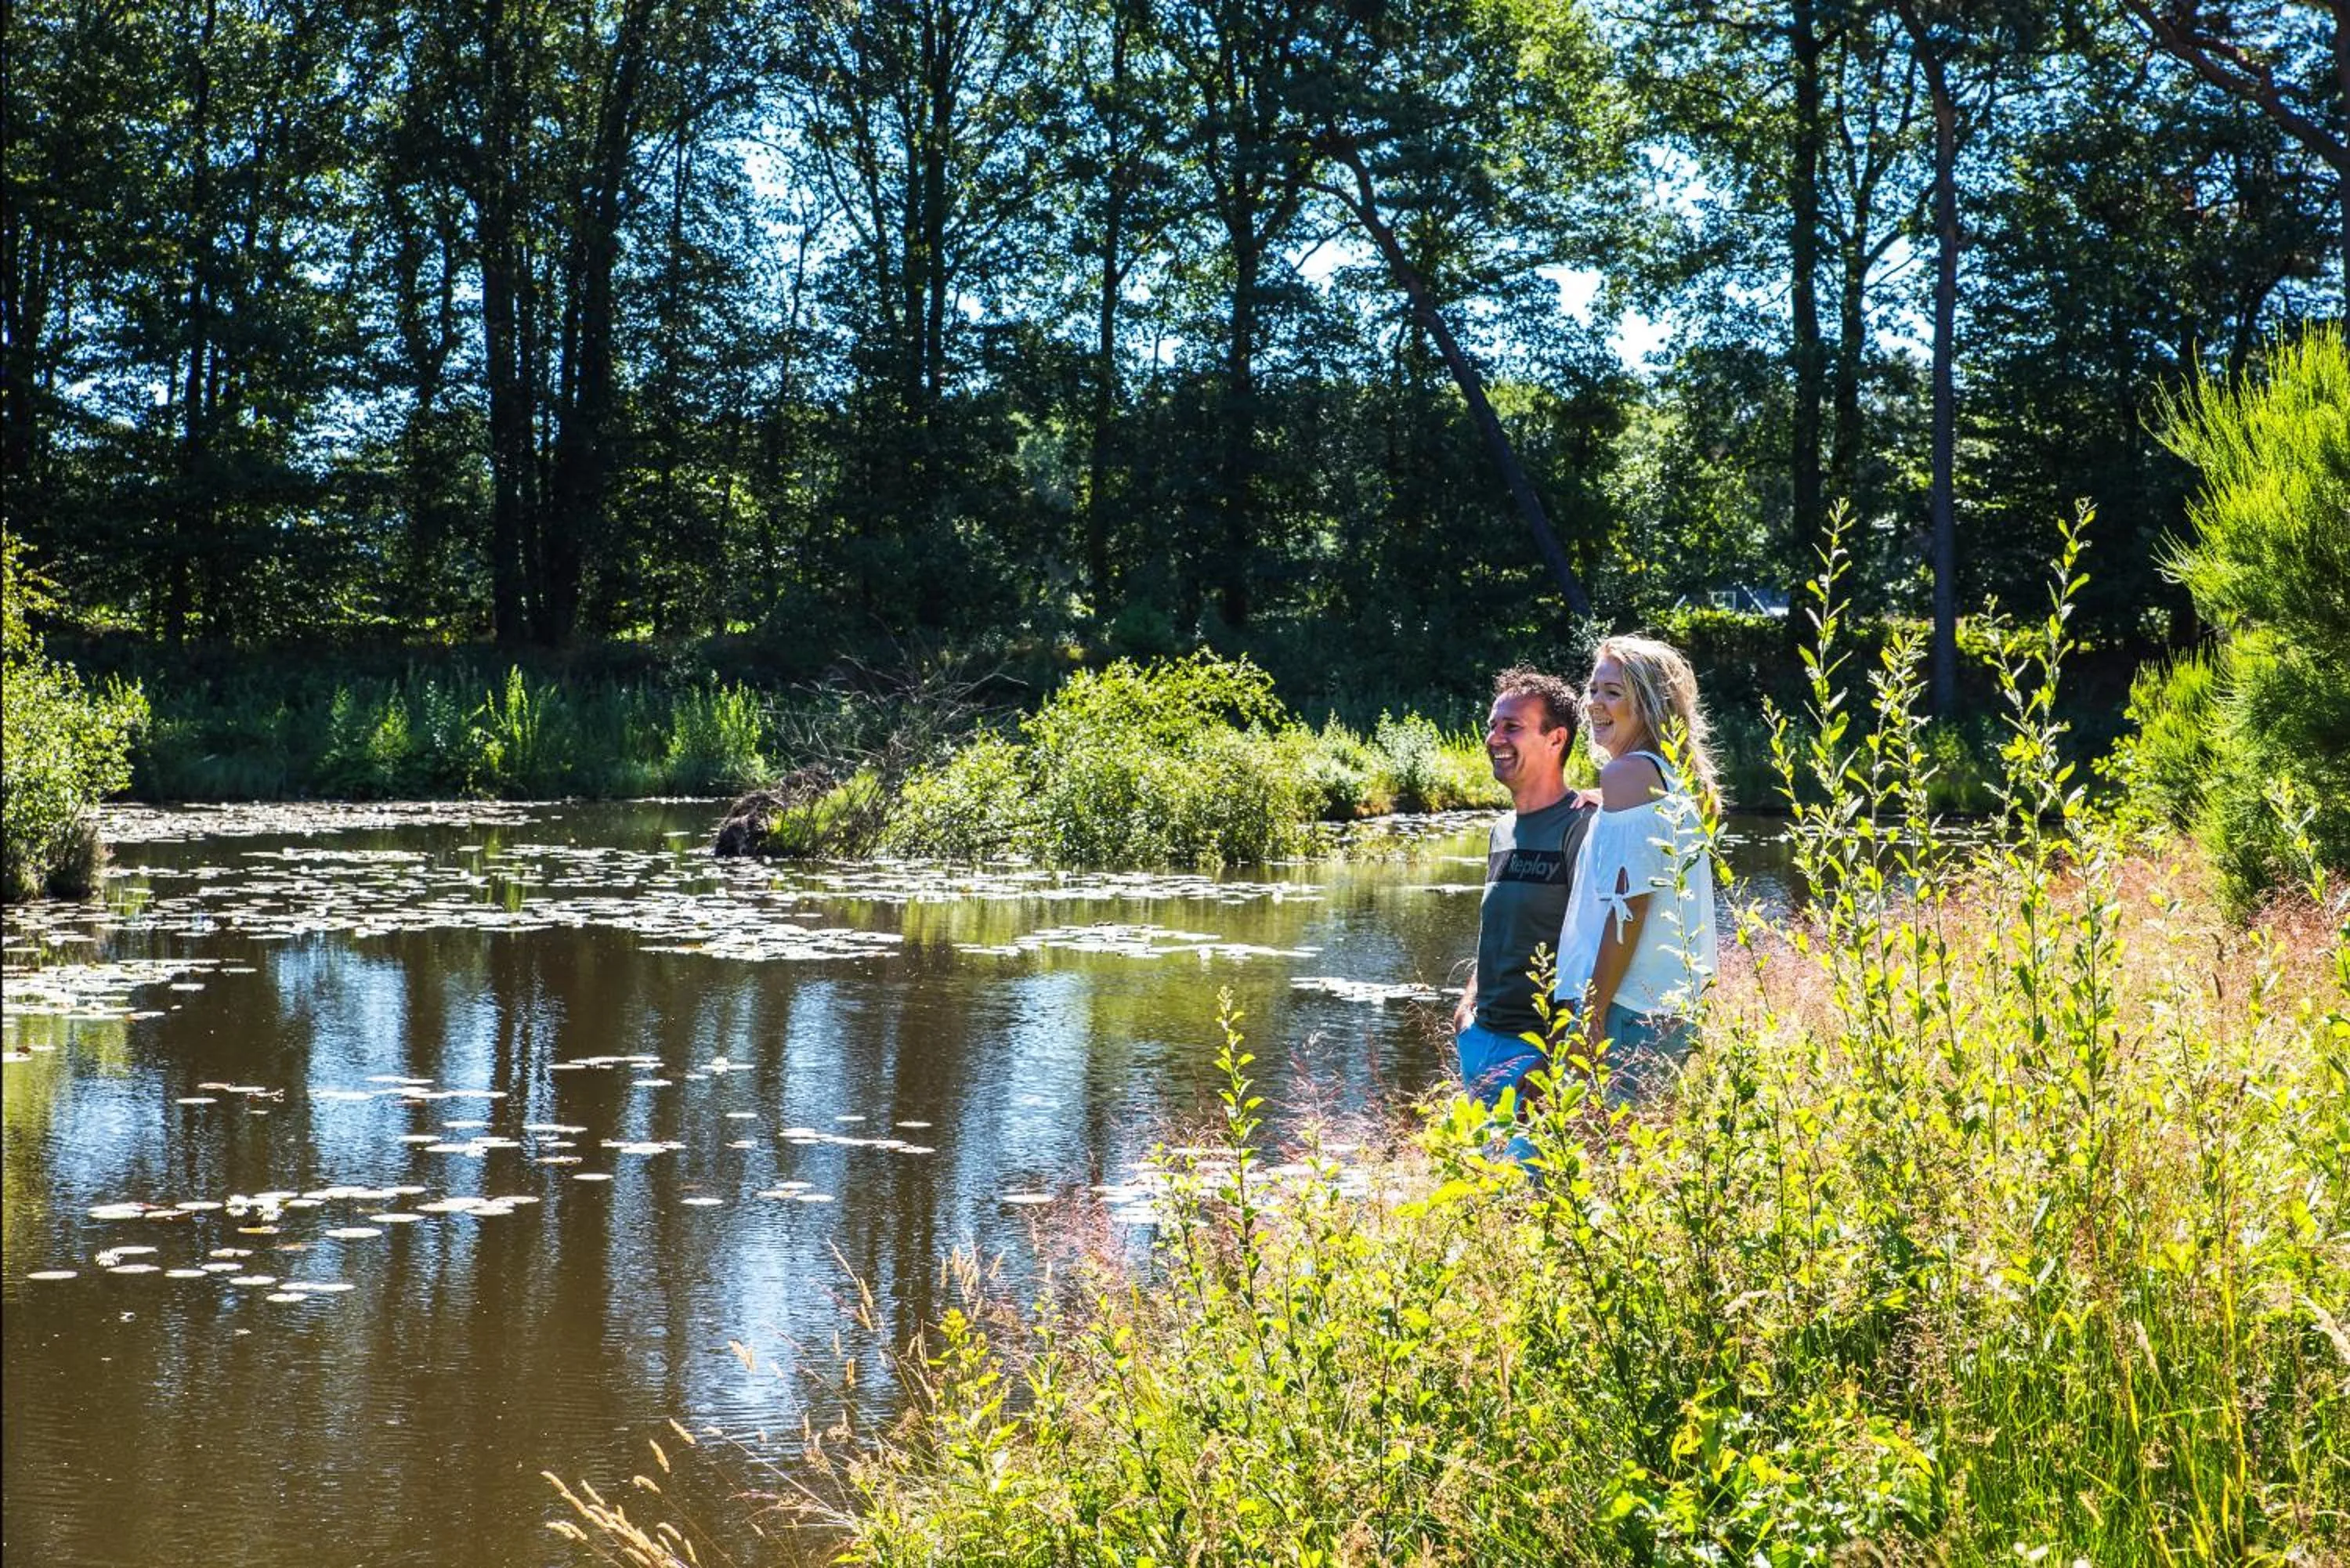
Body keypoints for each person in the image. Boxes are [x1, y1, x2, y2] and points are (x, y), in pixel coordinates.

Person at [1552, 635, 1720, 1101]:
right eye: (1593, 689)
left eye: (1613, 692)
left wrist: (1592, 1013)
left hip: (1623, 1008)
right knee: (1642, 1141)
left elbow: (1631, 909)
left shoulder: (1628, 775)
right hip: (1663, 1005)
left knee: (1588, 1140)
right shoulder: (1670, 776)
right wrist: (1608, 803)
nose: (1594, 703)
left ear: (1648, 705)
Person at [1453, 667, 1595, 1107]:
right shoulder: (1502, 830)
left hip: (1537, 1053)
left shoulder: (1583, 826)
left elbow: (1595, 946)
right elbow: (1498, 928)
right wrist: (1466, 1011)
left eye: (1512, 727)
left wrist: (1556, 1055)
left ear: (1556, 739)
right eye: (1493, 725)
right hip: (1480, 1039)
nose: (1495, 738)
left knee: (1529, 1158)